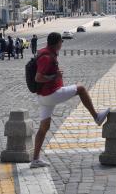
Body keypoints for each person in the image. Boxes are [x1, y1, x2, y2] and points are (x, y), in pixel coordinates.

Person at [31, 32, 110, 168]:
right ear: (57, 43)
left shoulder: (46, 53)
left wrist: (53, 75)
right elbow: (38, 77)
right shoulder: (47, 57)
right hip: (51, 94)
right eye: (61, 41)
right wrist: (54, 77)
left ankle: (35, 159)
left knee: (44, 127)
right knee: (81, 89)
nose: (62, 44)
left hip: (43, 96)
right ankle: (96, 117)